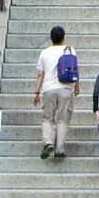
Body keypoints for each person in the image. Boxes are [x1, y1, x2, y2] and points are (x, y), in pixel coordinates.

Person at [35, 25, 78, 160]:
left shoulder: (44, 53)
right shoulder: (70, 50)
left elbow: (40, 75)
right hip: (66, 89)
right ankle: (59, 149)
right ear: (64, 38)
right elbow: (75, 69)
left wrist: (36, 92)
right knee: (62, 119)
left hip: (48, 89)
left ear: (51, 39)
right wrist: (77, 85)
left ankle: (48, 142)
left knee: (48, 117)